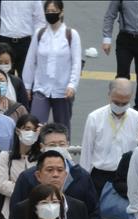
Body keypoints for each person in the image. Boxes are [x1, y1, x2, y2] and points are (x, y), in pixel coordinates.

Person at [9, 124, 102, 219]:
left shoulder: (82, 178)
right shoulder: (27, 179)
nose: (55, 175)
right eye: (52, 144)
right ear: (41, 146)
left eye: (61, 144)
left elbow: (93, 214)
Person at [79, 78, 138, 219]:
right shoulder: (94, 117)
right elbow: (87, 152)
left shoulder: (137, 118)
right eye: (117, 100)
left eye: (125, 101)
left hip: (126, 177)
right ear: (109, 96)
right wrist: (84, 181)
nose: (121, 105)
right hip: (100, 175)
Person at [22, 0, 82, 137]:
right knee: (35, 125)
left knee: (62, 128)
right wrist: (27, 86)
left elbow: (76, 63)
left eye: (54, 11)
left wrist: (72, 85)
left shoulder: (71, 35)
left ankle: (63, 154)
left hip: (62, 90)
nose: (50, 14)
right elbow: (31, 61)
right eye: (48, 11)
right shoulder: (39, 34)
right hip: (41, 88)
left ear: (62, 12)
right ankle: (35, 154)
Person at [0, 114, 41, 219]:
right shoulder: (5, 156)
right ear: (17, 131)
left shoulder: (42, 158)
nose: (31, 133)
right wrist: (29, 190)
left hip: (37, 212)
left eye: (34, 130)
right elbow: (1, 185)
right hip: (11, 212)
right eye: (27, 129)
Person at [0, 0, 46, 77]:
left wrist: (37, 44)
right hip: (4, 41)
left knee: (26, 76)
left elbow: (40, 22)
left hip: (25, 43)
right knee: (1, 76)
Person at [0, 43, 31, 108]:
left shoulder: (17, 82)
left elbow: (24, 108)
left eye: (6, 63)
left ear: (12, 63)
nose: (3, 65)